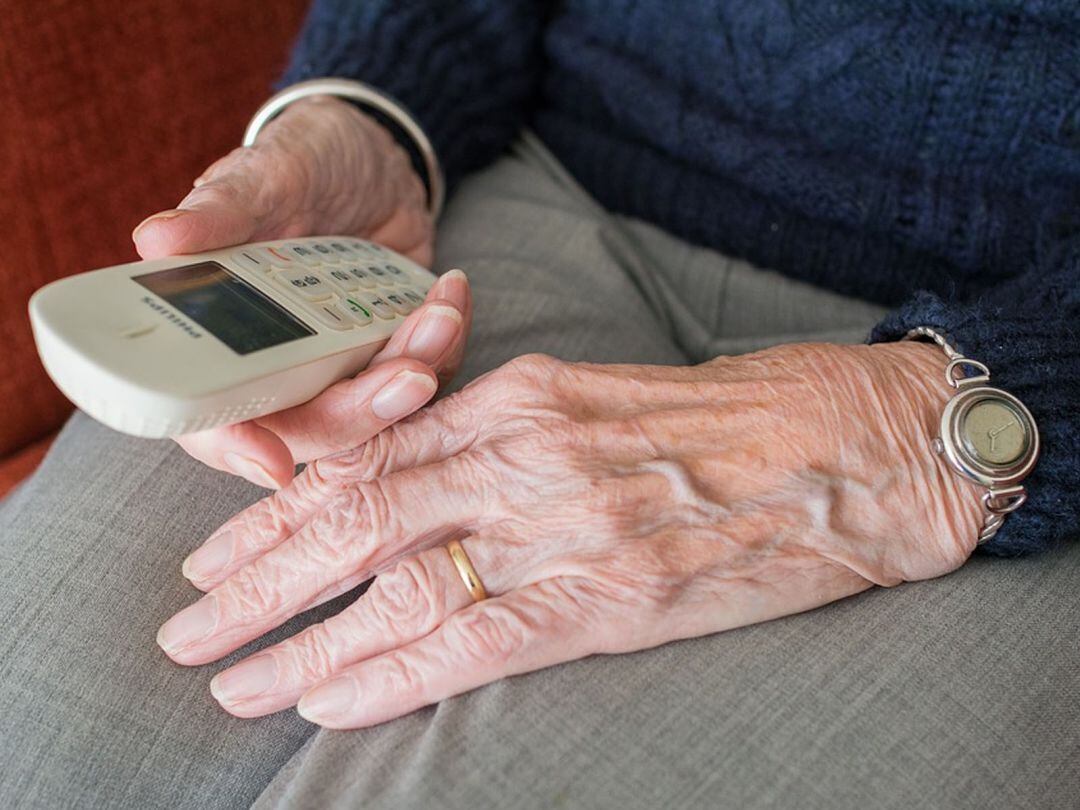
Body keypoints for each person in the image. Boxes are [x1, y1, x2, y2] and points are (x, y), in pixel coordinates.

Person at [2, 2, 1077, 808]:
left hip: (1005, 381)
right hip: (532, 190)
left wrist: (939, 426)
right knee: (34, 738)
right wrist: (369, 111)